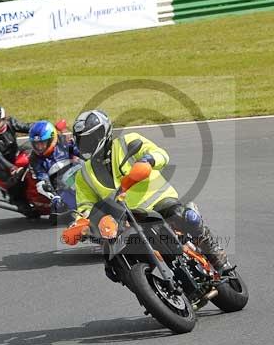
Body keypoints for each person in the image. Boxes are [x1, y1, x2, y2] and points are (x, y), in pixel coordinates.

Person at [70, 109, 230, 275]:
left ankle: (214, 252)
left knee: (188, 217)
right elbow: (85, 205)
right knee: (113, 267)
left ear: (102, 134)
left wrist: (149, 160)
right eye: (81, 141)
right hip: (125, 221)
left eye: (88, 139)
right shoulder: (84, 175)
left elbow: (160, 154)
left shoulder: (128, 142)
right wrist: (82, 223)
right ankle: (151, 287)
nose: (85, 145)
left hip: (159, 202)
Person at [0, 105, 33, 212]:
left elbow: (27, 126)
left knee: (33, 149)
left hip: (14, 153)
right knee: (16, 180)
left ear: (4, 119)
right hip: (0, 164)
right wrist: (12, 167)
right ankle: (20, 202)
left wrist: (44, 126)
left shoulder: (11, 123)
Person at [28, 120, 82, 214]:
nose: (39, 147)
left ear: (51, 139)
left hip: (75, 171)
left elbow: (80, 152)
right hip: (60, 185)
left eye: (42, 143)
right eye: (36, 144)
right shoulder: (34, 158)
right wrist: (55, 197)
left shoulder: (63, 141)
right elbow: (43, 179)